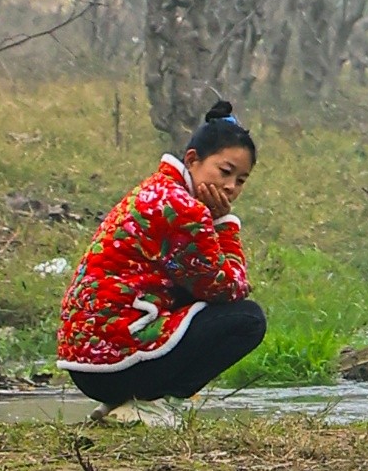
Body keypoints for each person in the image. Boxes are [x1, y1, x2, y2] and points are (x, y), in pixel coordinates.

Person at [58, 102, 268, 408]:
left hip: (87, 362)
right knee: (248, 318)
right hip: (113, 366)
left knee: (192, 296)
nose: (230, 187)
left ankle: (134, 402)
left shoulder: (156, 189)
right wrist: (224, 225)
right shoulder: (185, 209)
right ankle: (153, 402)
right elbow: (226, 288)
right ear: (193, 159)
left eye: (240, 180)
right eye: (225, 171)